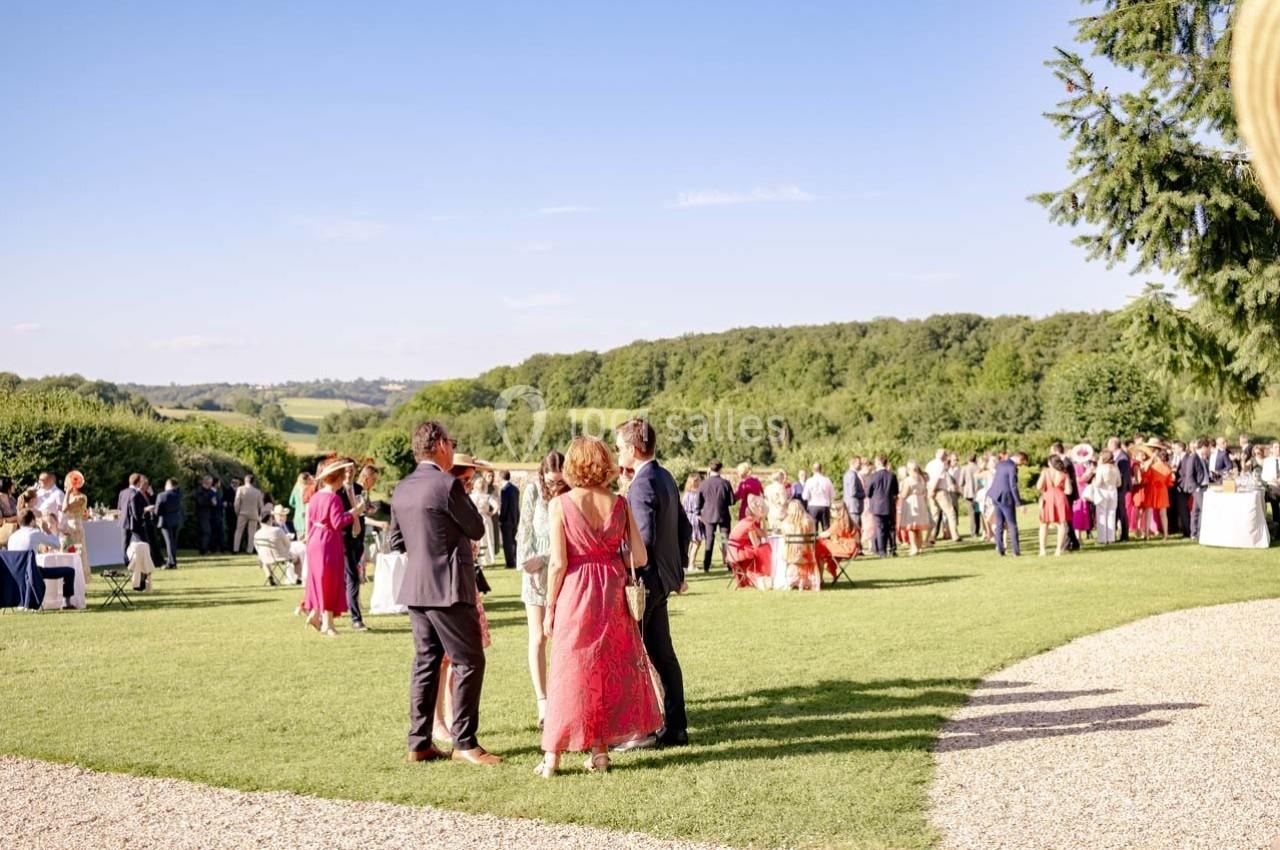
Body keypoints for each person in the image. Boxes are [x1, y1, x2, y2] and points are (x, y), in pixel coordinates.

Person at [536, 436, 661, 777]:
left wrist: (550, 607)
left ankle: (553, 757)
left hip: (576, 590)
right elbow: (640, 556)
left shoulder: (560, 504)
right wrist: (609, 556)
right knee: (603, 672)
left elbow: (558, 563)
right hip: (612, 591)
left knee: (569, 670)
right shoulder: (620, 504)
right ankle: (601, 753)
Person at [387, 421, 498, 767]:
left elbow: (396, 541)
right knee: (469, 660)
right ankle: (464, 743)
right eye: (451, 441)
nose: (453, 447)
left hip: (417, 588)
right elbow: (477, 527)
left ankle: (418, 743)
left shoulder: (402, 488)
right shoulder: (447, 485)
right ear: (438, 445)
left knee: (426, 663)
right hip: (449, 587)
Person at [615, 418, 691, 750]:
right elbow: (684, 528)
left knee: (641, 655)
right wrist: (678, 569)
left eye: (619, 448)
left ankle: (646, 725)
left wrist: (615, 555)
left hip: (645, 583)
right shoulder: (665, 476)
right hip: (663, 579)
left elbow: (642, 540)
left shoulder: (643, 485)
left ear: (632, 449)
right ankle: (675, 726)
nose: (618, 453)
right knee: (663, 655)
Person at [516, 451, 567, 731]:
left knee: (562, 638)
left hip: (561, 571)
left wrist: (547, 560)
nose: (554, 486)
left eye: (560, 481)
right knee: (537, 638)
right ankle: (543, 700)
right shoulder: (534, 491)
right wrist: (528, 563)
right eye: (551, 481)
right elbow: (523, 530)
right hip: (535, 575)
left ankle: (563, 697)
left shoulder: (571, 494)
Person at [302, 458, 362, 638]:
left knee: (319, 579)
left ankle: (314, 614)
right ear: (336, 478)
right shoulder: (333, 498)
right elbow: (338, 523)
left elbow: (311, 520)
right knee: (331, 580)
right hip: (328, 541)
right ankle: (327, 624)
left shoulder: (316, 496)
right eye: (343, 475)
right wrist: (354, 512)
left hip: (315, 540)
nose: (345, 478)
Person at [6, 510, 79, 609]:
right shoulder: (34, 533)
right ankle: (67, 603)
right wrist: (46, 530)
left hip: (14, 574)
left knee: (38, 568)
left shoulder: (12, 536)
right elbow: (57, 545)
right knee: (70, 571)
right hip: (32, 573)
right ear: (32, 521)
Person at [726, 494, 772, 590]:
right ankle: (762, 575)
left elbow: (763, 534)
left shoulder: (747, 521)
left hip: (732, 551)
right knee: (764, 549)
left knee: (763, 548)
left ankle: (755, 577)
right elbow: (756, 544)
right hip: (737, 553)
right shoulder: (749, 525)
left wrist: (763, 520)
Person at [697, 460, 734, 572]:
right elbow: (731, 501)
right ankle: (729, 564)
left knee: (709, 540)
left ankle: (706, 565)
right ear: (720, 469)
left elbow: (699, 501)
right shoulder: (725, 483)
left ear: (710, 469)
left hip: (709, 515)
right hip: (723, 515)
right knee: (724, 540)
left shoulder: (704, 484)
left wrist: (699, 512)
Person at [254, 504, 305, 584]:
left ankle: (270, 577)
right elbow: (288, 545)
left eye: (283, 515)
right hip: (281, 556)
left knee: (263, 558)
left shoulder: (257, 534)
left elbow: (257, 548)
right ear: (272, 519)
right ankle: (298, 578)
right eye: (279, 515)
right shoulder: (276, 530)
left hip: (265, 557)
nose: (282, 517)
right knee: (297, 558)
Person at [987, 452, 1026, 556]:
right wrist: (1019, 503)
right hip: (1006, 497)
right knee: (1012, 524)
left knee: (999, 523)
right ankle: (1016, 551)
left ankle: (1000, 550)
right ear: (1020, 459)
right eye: (1021, 463)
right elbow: (1013, 485)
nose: (1020, 466)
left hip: (995, 495)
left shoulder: (1001, 464)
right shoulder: (1012, 467)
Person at [779, 499, 820, 591]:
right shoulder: (809, 520)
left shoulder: (786, 523)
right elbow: (813, 536)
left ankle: (792, 581)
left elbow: (784, 538)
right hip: (807, 554)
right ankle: (804, 581)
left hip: (790, 554)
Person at [1037, 456, 1072, 557]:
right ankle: (1058, 550)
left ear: (1049, 463)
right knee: (1061, 524)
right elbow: (1069, 491)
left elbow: (1039, 486)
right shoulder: (1064, 474)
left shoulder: (1045, 472)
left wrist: (1045, 489)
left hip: (1047, 498)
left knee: (1044, 524)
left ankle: (1042, 550)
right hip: (1060, 498)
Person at [865, 455, 899, 557]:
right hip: (889, 505)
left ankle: (882, 550)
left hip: (877, 506)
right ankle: (893, 549)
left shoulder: (873, 476)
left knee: (880, 528)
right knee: (891, 528)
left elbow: (868, 493)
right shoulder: (892, 476)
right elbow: (896, 492)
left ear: (879, 462)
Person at [817, 501, 860, 581]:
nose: (830, 511)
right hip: (853, 549)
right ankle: (826, 571)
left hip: (846, 548)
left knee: (820, 546)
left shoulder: (838, 523)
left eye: (832, 509)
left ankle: (820, 579)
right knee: (822, 546)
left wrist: (815, 535)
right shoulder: (850, 521)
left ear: (839, 511)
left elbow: (826, 534)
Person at [1178, 439, 1211, 539]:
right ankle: (1199, 532)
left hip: (1204, 487)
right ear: (1203, 447)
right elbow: (1189, 475)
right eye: (1208, 448)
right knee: (1204, 509)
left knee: (1196, 511)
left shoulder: (1202, 458)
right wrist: (1196, 488)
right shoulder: (1193, 458)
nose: (1209, 450)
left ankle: (1195, 533)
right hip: (1198, 488)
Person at [897, 461, 931, 556]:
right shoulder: (921, 478)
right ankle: (919, 547)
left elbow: (905, 493)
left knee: (911, 527)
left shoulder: (909, 480)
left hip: (912, 502)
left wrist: (899, 495)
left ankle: (914, 547)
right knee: (918, 527)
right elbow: (925, 491)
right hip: (920, 501)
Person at [62, 471, 88, 577]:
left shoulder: (81, 497)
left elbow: (64, 508)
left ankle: (80, 578)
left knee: (78, 552)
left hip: (76, 527)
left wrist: (67, 493)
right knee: (66, 551)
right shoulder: (68, 497)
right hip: (67, 527)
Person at [1093, 451, 1122, 545]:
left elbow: (1098, 483)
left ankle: (1102, 539)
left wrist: (1093, 481)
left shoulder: (1101, 468)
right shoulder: (1115, 467)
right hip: (1113, 491)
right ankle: (1111, 538)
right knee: (1111, 515)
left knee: (1101, 515)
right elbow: (1119, 483)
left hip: (1103, 491)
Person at [154, 478, 184, 569]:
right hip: (176, 520)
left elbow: (157, 512)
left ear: (167, 485)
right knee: (173, 541)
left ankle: (171, 562)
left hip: (165, 521)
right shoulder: (178, 495)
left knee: (169, 542)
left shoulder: (162, 495)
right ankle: (173, 560)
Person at [232, 474, 264, 554]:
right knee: (252, 532)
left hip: (242, 513)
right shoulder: (257, 491)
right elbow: (261, 505)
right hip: (253, 513)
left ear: (245, 480)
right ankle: (249, 550)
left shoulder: (240, 489)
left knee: (239, 531)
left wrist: (237, 512)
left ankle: (235, 549)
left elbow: (236, 502)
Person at [1108, 438, 1132, 542]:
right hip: (1117, 488)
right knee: (1118, 511)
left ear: (1113, 445)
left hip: (1120, 488)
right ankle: (1119, 534)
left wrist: (1119, 487)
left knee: (1122, 511)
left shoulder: (1123, 457)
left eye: (1109, 444)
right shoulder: (1117, 456)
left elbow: (1124, 475)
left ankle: (1125, 535)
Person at [802, 462, 835, 531]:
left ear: (813, 470)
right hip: (824, 505)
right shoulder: (827, 480)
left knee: (814, 529)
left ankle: (814, 541)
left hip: (813, 506)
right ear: (821, 469)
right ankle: (826, 541)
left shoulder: (809, 481)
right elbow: (832, 495)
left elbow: (805, 497)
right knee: (826, 528)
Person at [498, 471, 520, 568]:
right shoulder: (515, 489)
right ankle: (516, 559)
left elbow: (504, 506)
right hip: (515, 518)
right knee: (514, 541)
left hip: (506, 520)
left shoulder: (504, 490)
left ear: (500, 477)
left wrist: (501, 518)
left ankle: (510, 563)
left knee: (507, 542)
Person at [681, 474, 705, 567]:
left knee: (692, 541)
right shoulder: (696, 494)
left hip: (687, 518)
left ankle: (690, 562)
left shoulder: (686, 494)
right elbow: (698, 508)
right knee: (696, 542)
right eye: (698, 480)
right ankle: (691, 564)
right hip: (695, 518)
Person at [194, 476, 218, 556]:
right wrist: (210, 501)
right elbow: (200, 502)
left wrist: (214, 502)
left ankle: (205, 548)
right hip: (202, 514)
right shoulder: (200, 491)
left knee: (207, 532)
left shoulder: (210, 491)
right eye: (210, 482)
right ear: (206, 482)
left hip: (210, 514)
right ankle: (203, 550)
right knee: (206, 532)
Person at [843, 457, 865, 532]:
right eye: (859, 463)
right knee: (856, 530)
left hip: (851, 507)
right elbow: (853, 492)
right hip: (854, 507)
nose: (860, 465)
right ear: (853, 463)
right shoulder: (852, 475)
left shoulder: (848, 474)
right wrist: (864, 494)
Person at [287, 472, 311, 538]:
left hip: (298, 519)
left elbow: (291, 502)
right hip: (307, 518)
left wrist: (298, 507)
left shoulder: (296, 488)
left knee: (300, 542)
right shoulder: (309, 488)